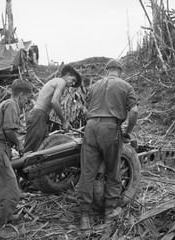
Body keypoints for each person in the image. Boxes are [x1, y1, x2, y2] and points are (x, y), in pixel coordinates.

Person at [77, 59, 138, 229]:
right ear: (120, 71)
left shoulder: (94, 86)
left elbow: (84, 108)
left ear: (106, 70)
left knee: (87, 173)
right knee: (113, 170)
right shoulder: (126, 86)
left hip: (90, 128)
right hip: (110, 128)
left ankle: (84, 217)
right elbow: (134, 111)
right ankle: (109, 212)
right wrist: (128, 130)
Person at [0, 79, 32, 239]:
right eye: (26, 98)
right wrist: (19, 145)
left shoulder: (7, 103)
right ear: (20, 95)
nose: (26, 102)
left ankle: (7, 216)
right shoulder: (12, 104)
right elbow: (9, 130)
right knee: (10, 191)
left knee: (4, 188)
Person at [24, 65, 82, 152]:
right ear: (67, 74)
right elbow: (54, 102)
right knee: (30, 150)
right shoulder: (61, 81)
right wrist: (64, 121)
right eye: (73, 80)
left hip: (42, 116)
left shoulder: (56, 82)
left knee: (39, 148)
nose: (73, 84)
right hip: (38, 115)